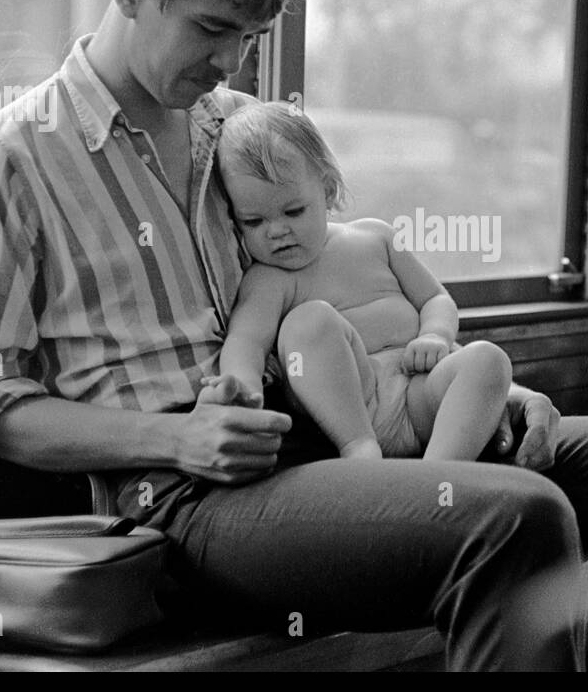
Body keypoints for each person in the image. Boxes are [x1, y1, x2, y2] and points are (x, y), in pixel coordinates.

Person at [0, 0, 588, 671]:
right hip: (185, 503)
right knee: (514, 517)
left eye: (249, 39)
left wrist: (482, 384)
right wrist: (181, 438)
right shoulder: (13, 156)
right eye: (212, 29)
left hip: (347, 435)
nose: (231, 62)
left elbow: (351, 285)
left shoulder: (239, 128)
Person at [210, 101, 512, 462]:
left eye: (293, 211)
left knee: (489, 359)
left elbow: (435, 298)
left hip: (421, 391)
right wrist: (241, 388)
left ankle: (440, 470)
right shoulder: (268, 280)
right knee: (309, 320)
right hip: (356, 409)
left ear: (327, 189)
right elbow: (245, 343)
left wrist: (435, 335)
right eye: (253, 222)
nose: (276, 231)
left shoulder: (376, 237)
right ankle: (359, 448)